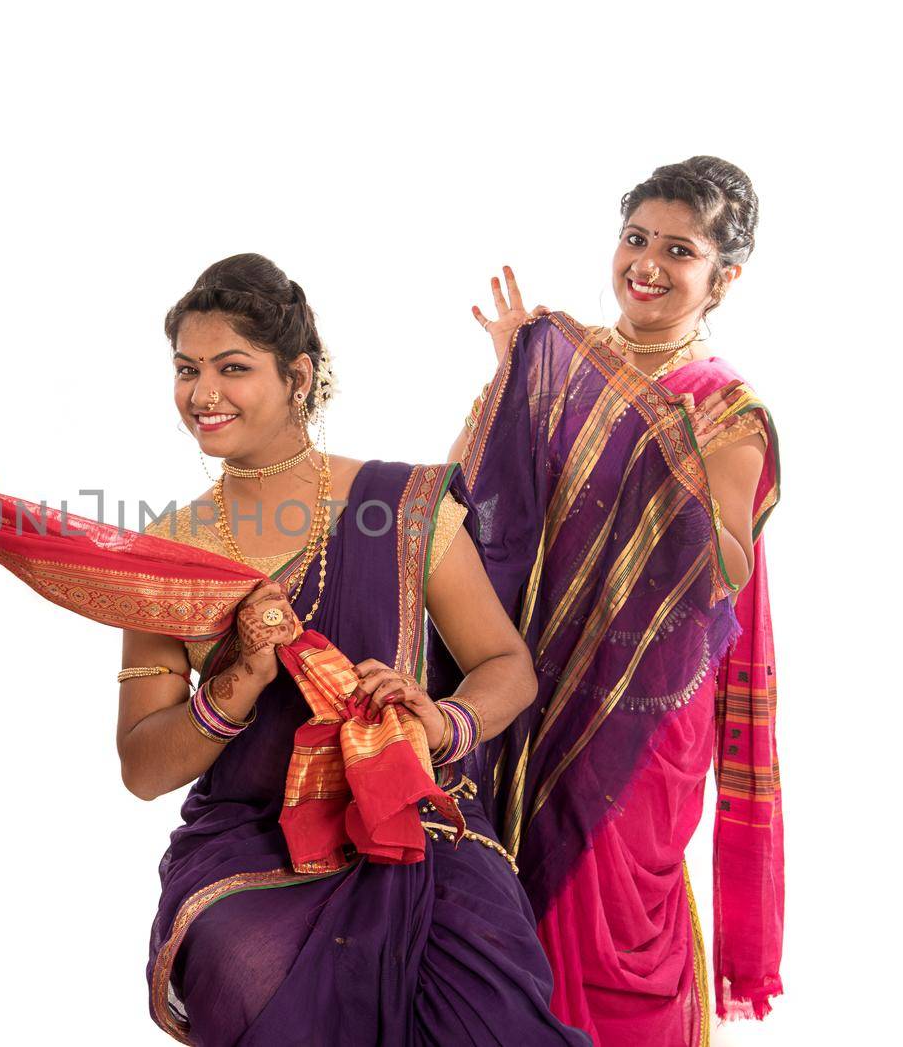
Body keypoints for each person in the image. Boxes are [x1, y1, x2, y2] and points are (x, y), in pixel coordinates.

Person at [118, 254, 588, 1045]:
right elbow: (143, 767)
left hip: (416, 825)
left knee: (487, 1003)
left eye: (234, 368)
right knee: (244, 957)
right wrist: (236, 681)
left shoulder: (398, 507)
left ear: (298, 375)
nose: (204, 394)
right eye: (187, 369)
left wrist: (440, 723)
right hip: (255, 842)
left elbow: (507, 668)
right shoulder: (167, 551)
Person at [450, 157, 782, 1045]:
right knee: (499, 915)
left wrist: (658, 454)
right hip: (530, 681)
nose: (647, 263)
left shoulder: (726, 410)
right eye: (636, 238)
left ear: (724, 277)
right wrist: (511, 386)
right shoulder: (568, 370)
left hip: (639, 716)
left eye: (680, 250)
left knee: (606, 930)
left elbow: (726, 567)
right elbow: (468, 505)